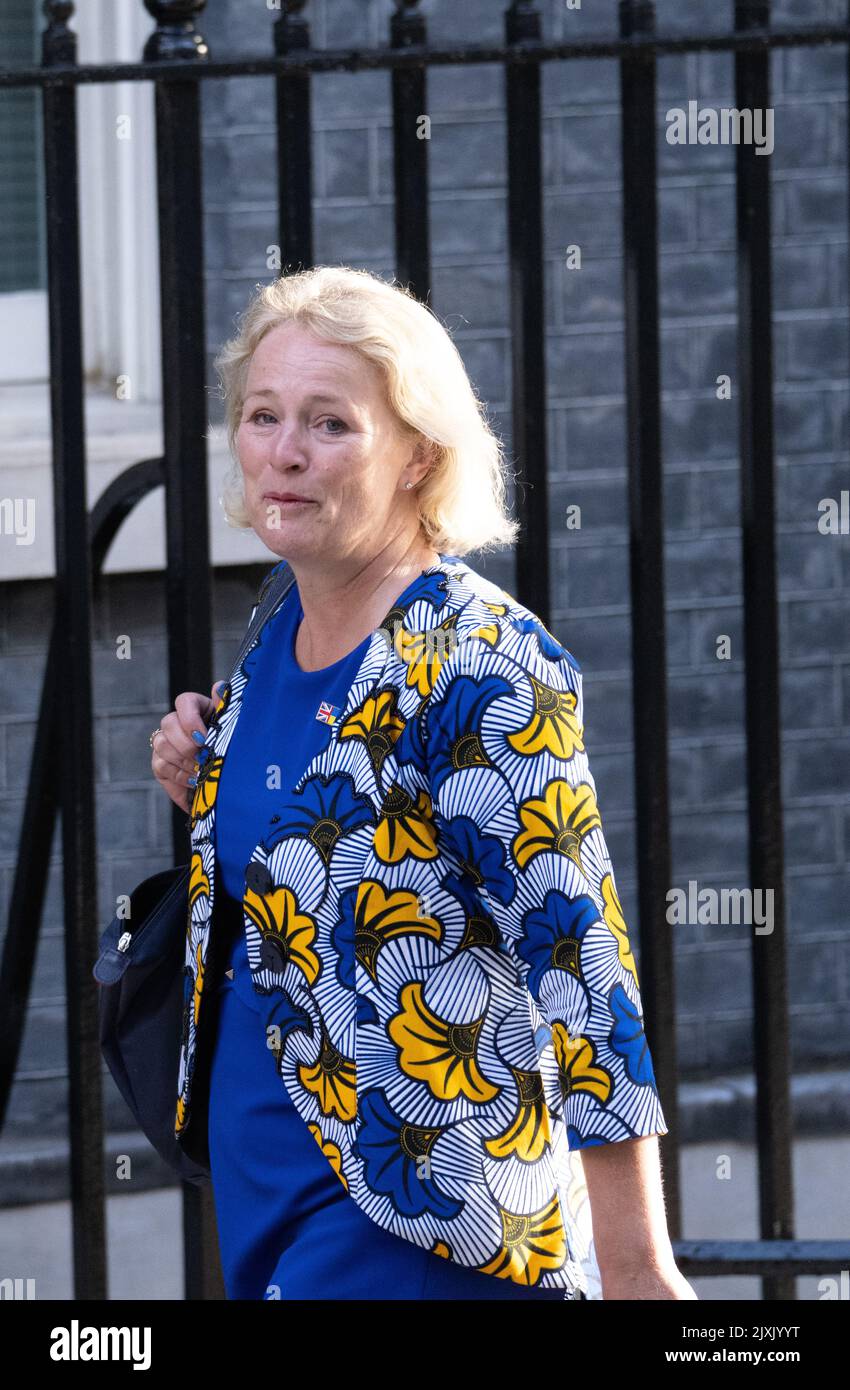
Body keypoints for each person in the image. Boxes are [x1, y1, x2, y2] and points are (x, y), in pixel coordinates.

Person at [150, 265, 696, 1301]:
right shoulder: (281, 622)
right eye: (263, 416)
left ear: (419, 456)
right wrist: (204, 782)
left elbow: (579, 959)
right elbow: (339, 849)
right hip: (271, 1196)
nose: (285, 452)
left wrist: (635, 1263)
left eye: (331, 424)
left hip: (420, 1227)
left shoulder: (478, 660)